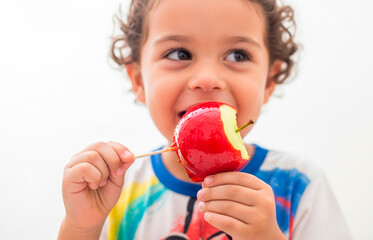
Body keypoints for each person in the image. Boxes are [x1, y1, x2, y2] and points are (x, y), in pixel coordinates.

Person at [59, 0, 352, 239]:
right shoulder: (115, 193)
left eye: (238, 55)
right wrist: (82, 226)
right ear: (138, 79)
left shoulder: (299, 186)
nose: (208, 79)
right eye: (179, 53)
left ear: (269, 81)